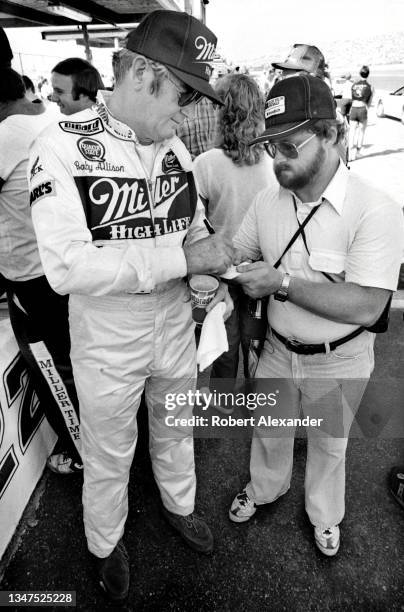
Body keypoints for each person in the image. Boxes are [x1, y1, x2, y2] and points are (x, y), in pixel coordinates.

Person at [29, 10, 233, 602]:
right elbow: (67, 268)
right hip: (105, 334)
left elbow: (190, 227)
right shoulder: (61, 146)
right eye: (185, 91)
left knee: (176, 429)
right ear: (142, 73)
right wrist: (182, 263)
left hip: (174, 321)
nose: (191, 110)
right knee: (109, 451)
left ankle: (180, 505)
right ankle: (104, 543)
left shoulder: (176, 151)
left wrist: (207, 269)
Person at [228, 74, 403, 557]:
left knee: (330, 446)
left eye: (289, 146)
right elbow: (239, 251)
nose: (277, 159)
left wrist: (281, 283)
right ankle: (265, 488)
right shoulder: (267, 201)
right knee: (269, 433)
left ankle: (325, 516)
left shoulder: (376, 209)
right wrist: (213, 267)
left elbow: (369, 305)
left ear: (330, 135)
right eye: (269, 147)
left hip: (341, 358)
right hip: (277, 351)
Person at [0, 67, 82, 475]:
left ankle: (80, 450)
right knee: (78, 361)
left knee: (53, 371)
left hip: (30, 278)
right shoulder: (53, 116)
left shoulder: (2, 138)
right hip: (68, 266)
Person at [193, 73, 274, 401]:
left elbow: (195, 222)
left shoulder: (205, 164)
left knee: (224, 343)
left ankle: (224, 403)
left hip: (220, 271)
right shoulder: (272, 161)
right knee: (257, 344)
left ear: (220, 111)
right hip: (260, 270)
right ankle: (258, 405)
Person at [349, 65, 373, 160]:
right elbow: (369, 102)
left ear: (360, 74)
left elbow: (352, 97)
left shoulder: (354, 85)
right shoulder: (370, 87)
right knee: (361, 132)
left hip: (354, 108)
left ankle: (350, 154)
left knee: (352, 132)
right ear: (368, 75)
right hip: (363, 108)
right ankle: (358, 152)